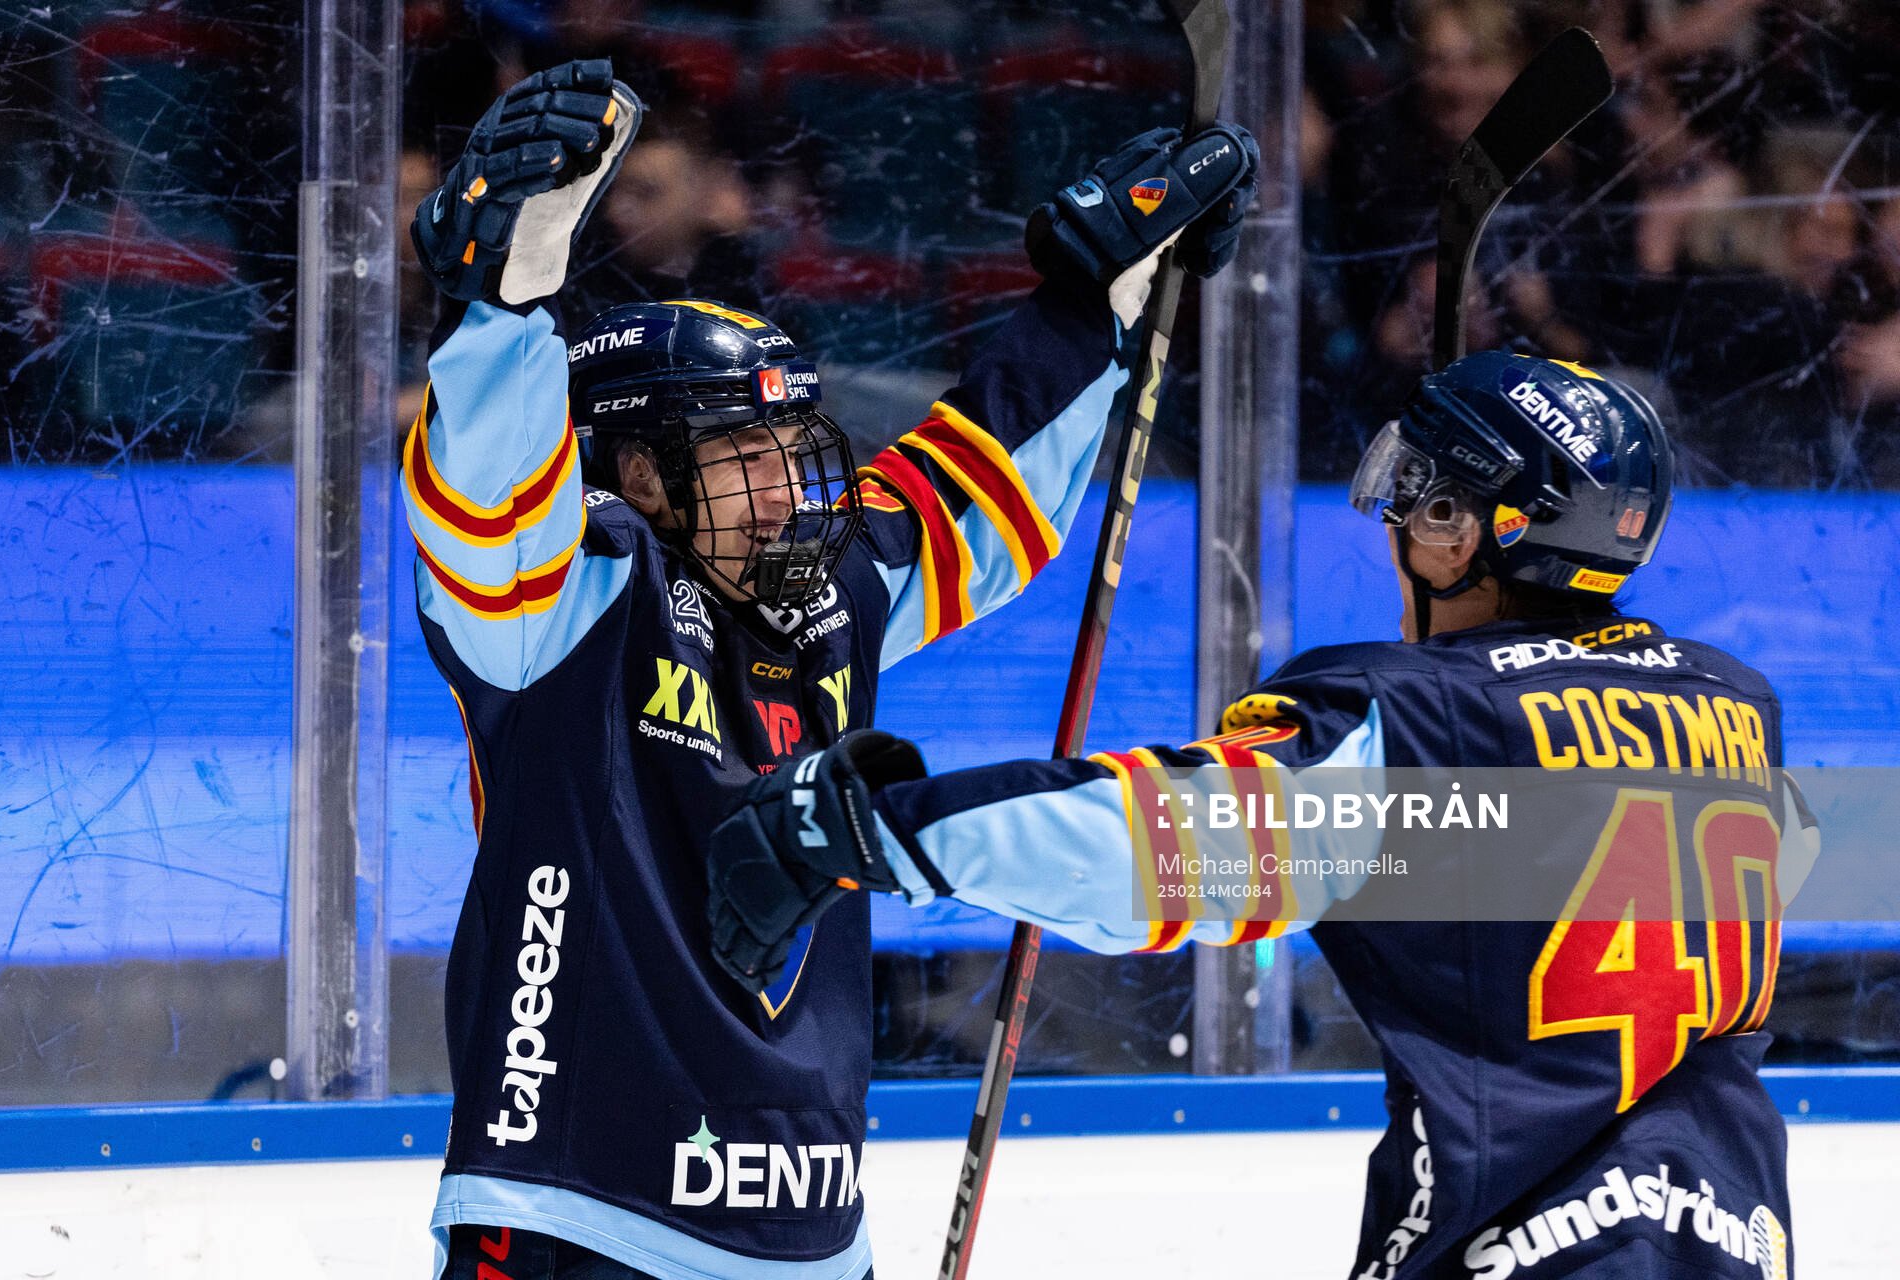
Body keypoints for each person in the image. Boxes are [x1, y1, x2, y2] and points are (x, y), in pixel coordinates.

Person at [404, 58, 1259, 1280]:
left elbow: (973, 492)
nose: (799, 488)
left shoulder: (823, 594)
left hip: (813, 1240)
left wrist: (1089, 305)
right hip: (577, 1214)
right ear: (637, 475)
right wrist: (505, 307)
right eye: (748, 453)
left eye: (797, 445)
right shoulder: (567, 602)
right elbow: (489, 509)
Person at [710, 353, 1819, 1277]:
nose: (1395, 517)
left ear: (1456, 527)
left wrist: (875, 829)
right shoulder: (1733, 704)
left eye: (1418, 491)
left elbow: (1162, 849)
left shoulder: (1432, 720)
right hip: (1736, 1238)